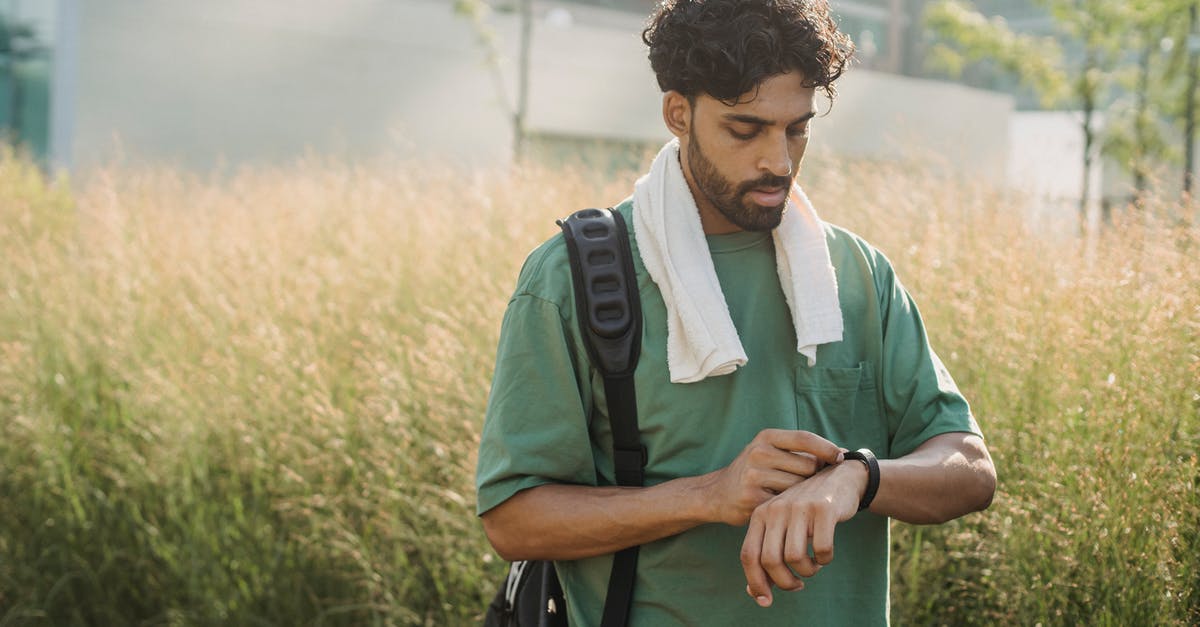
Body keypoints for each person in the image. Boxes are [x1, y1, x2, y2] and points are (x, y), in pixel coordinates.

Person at [475, 0, 997, 624]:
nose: (777, 161)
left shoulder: (857, 273)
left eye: (796, 129)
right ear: (678, 113)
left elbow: (969, 468)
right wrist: (707, 495)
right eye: (746, 130)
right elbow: (514, 520)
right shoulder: (570, 279)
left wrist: (855, 478)